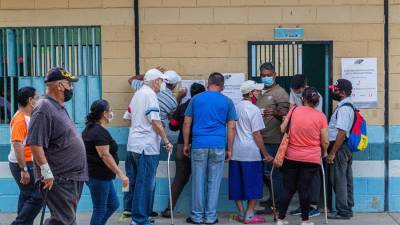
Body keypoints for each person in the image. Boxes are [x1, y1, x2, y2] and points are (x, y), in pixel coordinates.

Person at [27, 67, 88, 225]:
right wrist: (46, 172)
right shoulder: (44, 107)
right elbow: (35, 143)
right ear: (60, 85)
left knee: (64, 220)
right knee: (64, 220)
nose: (71, 88)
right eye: (69, 84)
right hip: (59, 177)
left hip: (70, 177)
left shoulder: (57, 107)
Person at [123, 68, 186, 218]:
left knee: (137, 181)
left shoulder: (138, 93)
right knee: (145, 184)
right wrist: (166, 141)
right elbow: (156, 122)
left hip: (133, 145)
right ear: (155, 81)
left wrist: (137, 129)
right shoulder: (150, 95)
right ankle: (140, 219)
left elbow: (127, 117)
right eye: (161, 81)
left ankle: (136, 213)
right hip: (146, 147)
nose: (163, 84)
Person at [183, 72, 237, 224]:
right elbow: (232, 127)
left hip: (199, 144)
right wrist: (230, 149)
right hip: (218, 145)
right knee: (214, 182)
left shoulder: (196, 99)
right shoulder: (227, 101)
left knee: (198, 180)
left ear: (208, 83)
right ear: (222, 86)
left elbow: (187, 123)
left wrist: (186, 144)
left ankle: (197, 216)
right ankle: (211, 217)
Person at [275, 87, 329, 225]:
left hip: (291, 156)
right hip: (311, 158)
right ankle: (305, 221)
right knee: (305, 189)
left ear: (302, 99)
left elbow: (282, 128)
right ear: (317, 101)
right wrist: (324, 151)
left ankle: (280, 219)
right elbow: (325, 141)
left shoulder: (294, 111)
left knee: (288, 188)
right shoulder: (321, 116)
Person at [229, 80, 274, 224]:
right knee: (253, 184)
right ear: (250, 93)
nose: (258, 93)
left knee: (237, 183)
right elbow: (256, 134)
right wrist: (266, 154)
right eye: (256, 91)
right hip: (251, 152)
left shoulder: (235, 107)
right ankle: (249, 214)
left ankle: (241, 213)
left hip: (236, 151)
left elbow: (232, 128)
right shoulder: (253, 109)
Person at [160, 83, 206, 218]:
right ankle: (201, 212)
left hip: (181, 147)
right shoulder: (205, 107)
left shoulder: (183, 107)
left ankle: (169, 209)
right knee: (202, 180)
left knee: (179, 180)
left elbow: (173, 126)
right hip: (201, 146)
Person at [82, 99, 129, 225]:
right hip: (98, 176)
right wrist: (121, 174)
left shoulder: (92, 129)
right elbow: (105, 155)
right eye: (110, 110)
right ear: (104, 113)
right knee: (100, 209)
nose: (112, 112)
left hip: (101, 176)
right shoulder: (98, 131)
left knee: (113, 204)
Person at [255, 62, 289, 214]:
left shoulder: (280, 93)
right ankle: (272, 199)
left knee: (274, 174)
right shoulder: (259, 91)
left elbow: (286, 114)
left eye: (269, 75)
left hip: (273, 139)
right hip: (260, 138)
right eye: (263, 75)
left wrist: (274, 113)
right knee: (265, 174)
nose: (266, 78)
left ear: (275, 75)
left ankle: (278, 205)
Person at [288, 74, 324, 218]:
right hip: (297, 140)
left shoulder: (317, 97)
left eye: (298, 91)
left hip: (312, 140)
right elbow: (291, 110)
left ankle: (313, 206)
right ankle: (303, 205)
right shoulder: (293, 91)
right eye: (294, 90)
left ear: (304, 87)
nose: (296, 93)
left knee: (313, 175)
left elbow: (316, 118)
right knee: (299, 176)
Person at [8, 87, 42, 225]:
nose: (39, 100)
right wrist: (24, 170)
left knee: (26, 195)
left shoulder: (28, 116)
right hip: (22, 164)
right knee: (37, 196)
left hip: (27, 163)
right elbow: (17, 144)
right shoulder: (20, 120)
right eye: (37, 97)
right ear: (30, 100)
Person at [326, 79, 355, 220]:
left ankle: (343, 211)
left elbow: (341, 133)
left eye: (336, 90)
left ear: (343, 92)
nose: (333, 92)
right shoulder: (347, 106)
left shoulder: (344, 109)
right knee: (346, 179)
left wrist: (332, 153)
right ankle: (348, 208)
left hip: (339, 148)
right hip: (344, 148)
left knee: (339, 180)